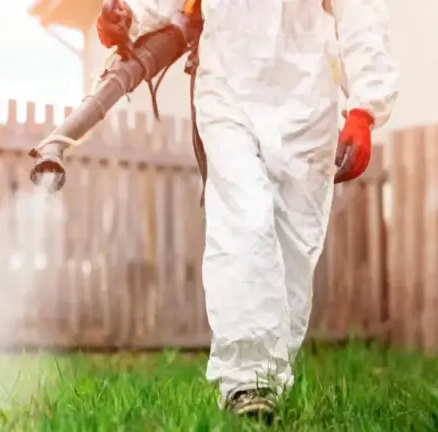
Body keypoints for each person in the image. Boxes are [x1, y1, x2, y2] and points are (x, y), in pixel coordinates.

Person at [96, 0, 398, 417]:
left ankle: (270, 384)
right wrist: (124, 19)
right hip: (228, 90)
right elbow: (161, 7)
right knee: (245, 221)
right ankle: (246, 383)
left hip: (307, 103)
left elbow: (360, 12)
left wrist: (365, 107)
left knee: (293, 252)